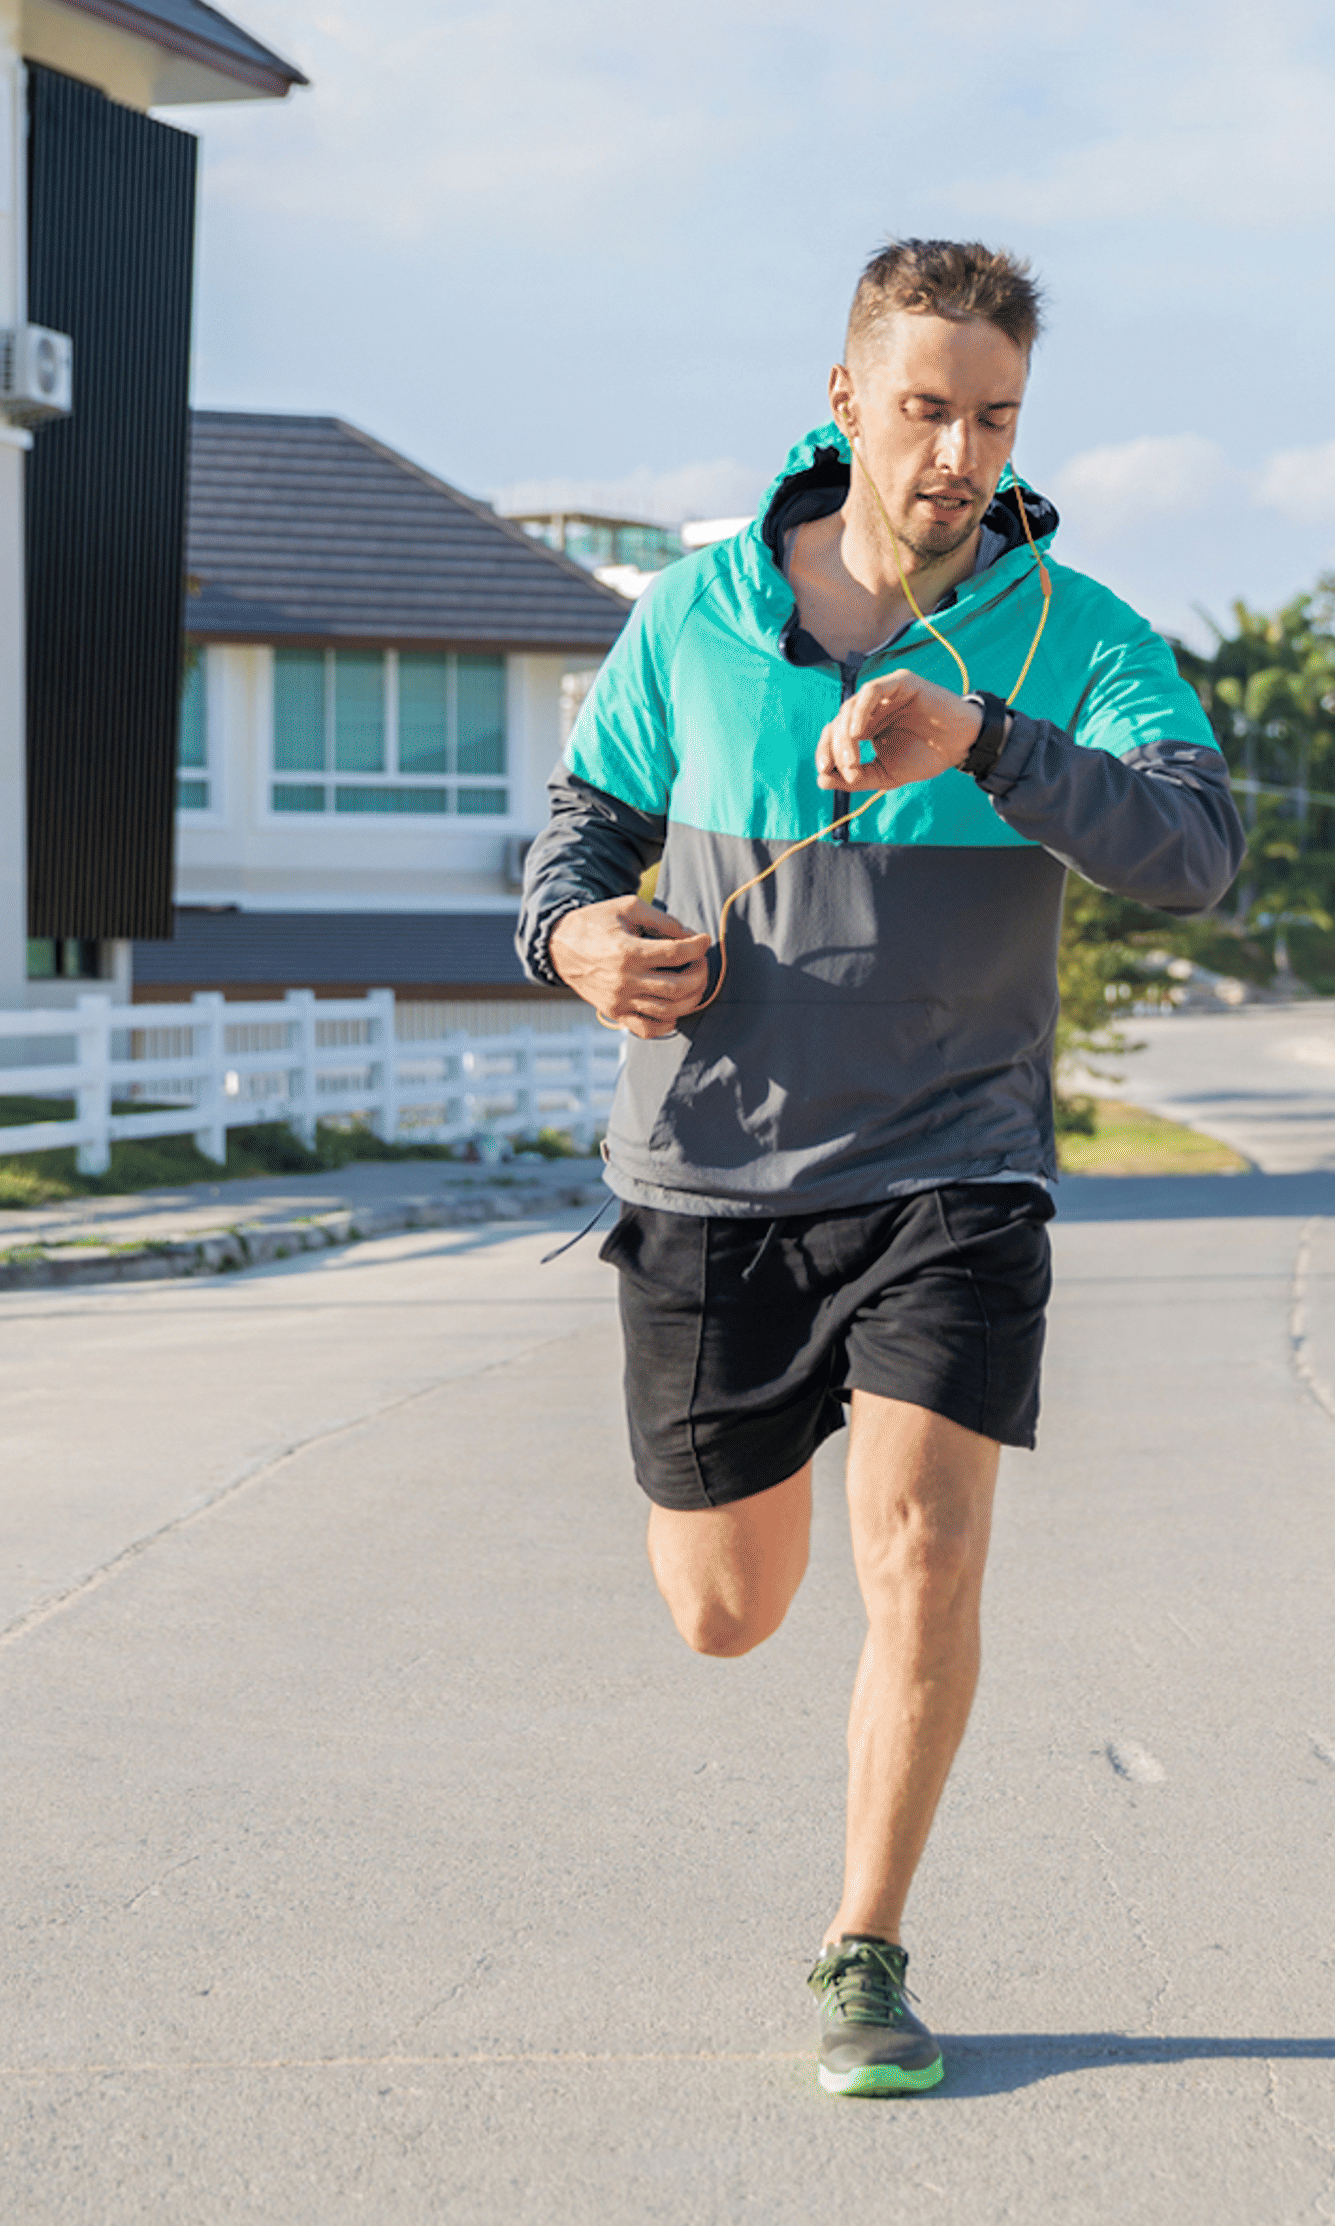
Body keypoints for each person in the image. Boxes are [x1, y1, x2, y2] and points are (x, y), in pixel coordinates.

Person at [517, 238, 1241, 2096]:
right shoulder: (689, 613)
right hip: (710, 1176)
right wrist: (576, 942)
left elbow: (1195, 850)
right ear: (845, 403)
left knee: (921, 1549)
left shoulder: (1073, 635)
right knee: (726, 1613)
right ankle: (763, 1495)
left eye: (994, 418)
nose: (957, 453)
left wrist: (987, 742)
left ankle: (867, 1946)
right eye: (926, 409)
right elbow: (584, 828)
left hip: (954, 1163)